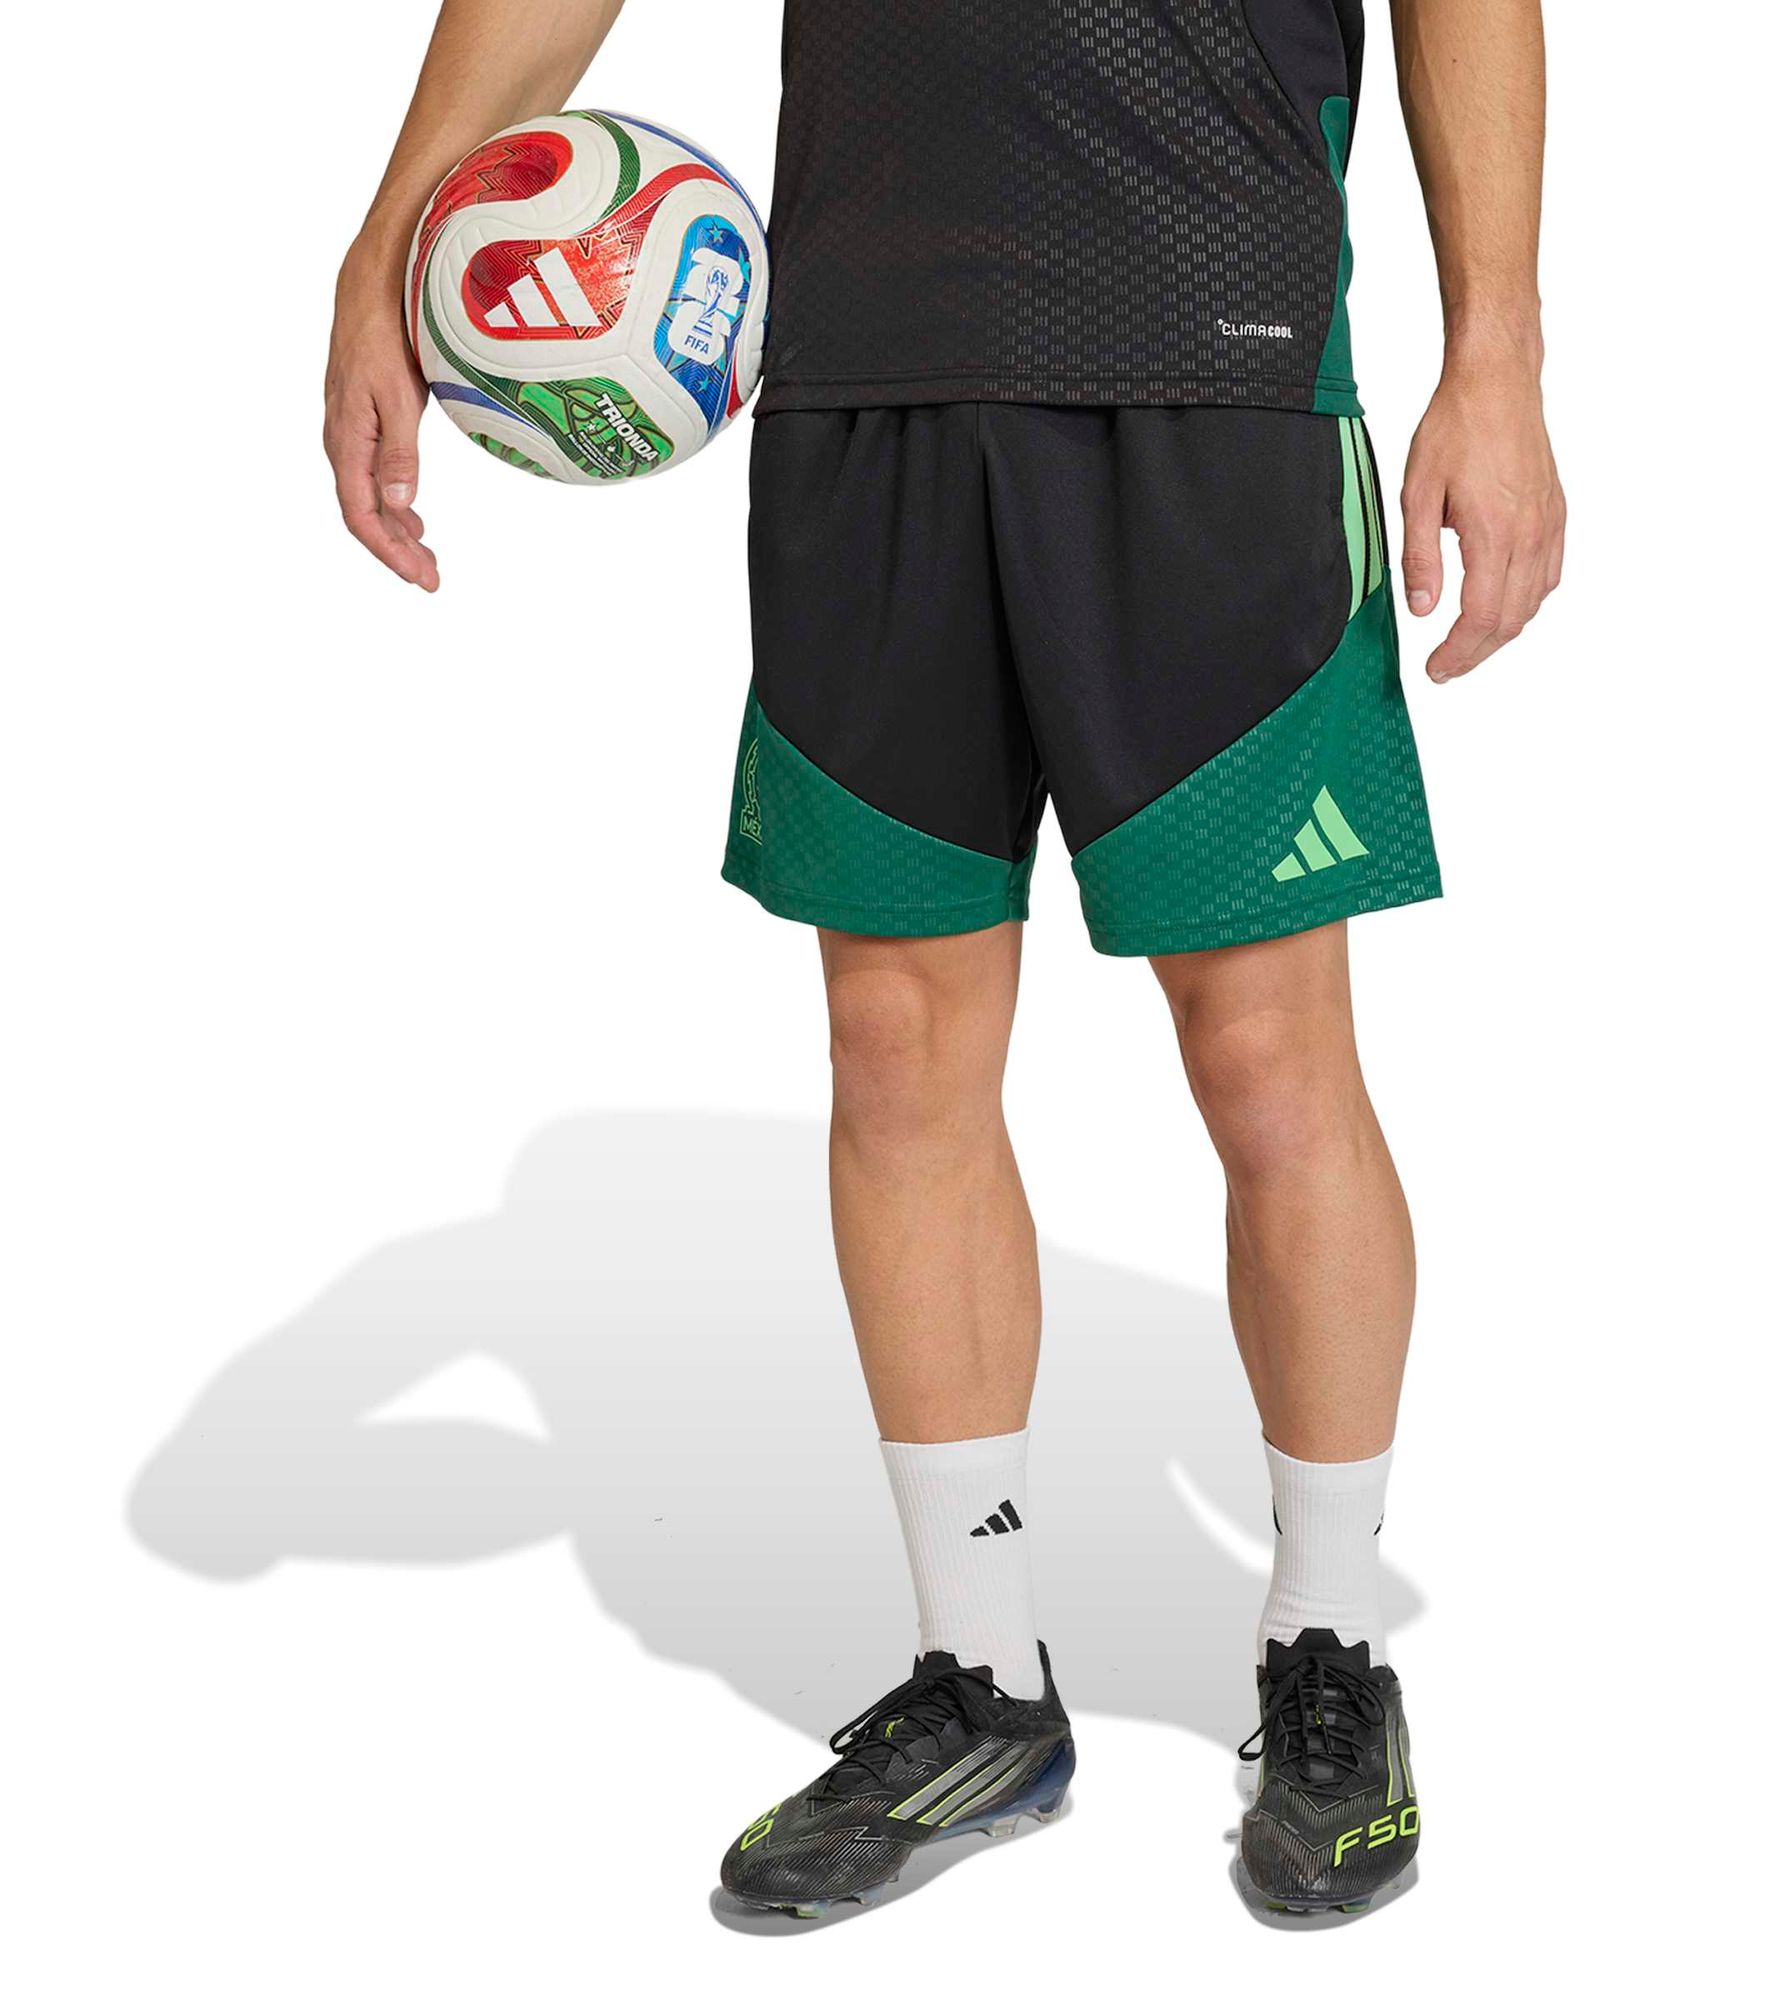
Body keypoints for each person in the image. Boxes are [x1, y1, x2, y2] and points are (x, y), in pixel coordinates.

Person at [325, 0, 1565, 1920]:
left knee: (1267, 1056)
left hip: (1213, 359)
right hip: (864, 372)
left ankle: (1331, 1649)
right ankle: (983, 1686)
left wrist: (1495, 347)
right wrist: (389, 235)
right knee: (898, 1047)